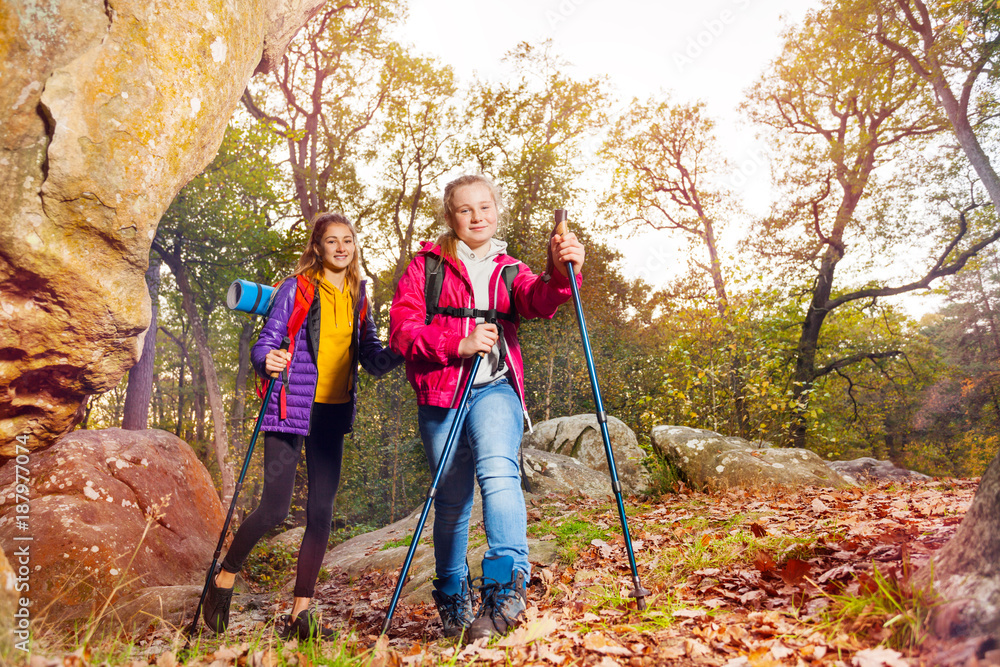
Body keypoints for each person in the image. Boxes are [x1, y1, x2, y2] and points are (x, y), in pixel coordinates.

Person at [389, 174, 585, 641]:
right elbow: (401, 330)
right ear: (450, 217)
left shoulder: (508, 267)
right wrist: (458, 342)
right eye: (465, 209)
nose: (477, 216)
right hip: (440, 393)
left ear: (497, 210)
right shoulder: (425, 267)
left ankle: (505, 587)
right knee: (453, 499)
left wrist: (562, 272)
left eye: (485, 207)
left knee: (499, 472)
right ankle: (452, 593)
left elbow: (539, 300)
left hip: (495, 388)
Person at [203, 212, 401, 640]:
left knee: (321, 512)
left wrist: (407, 345)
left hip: (332, 413)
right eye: (333, 241)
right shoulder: (297, 288)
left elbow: (371, 356)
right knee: (274, 509)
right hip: (290, 409)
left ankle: (300, 614)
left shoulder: (359, 295)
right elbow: (266, 343)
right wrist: (266, 360)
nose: (342, 247)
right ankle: (224, 577)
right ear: (318, 247)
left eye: (348, 240)